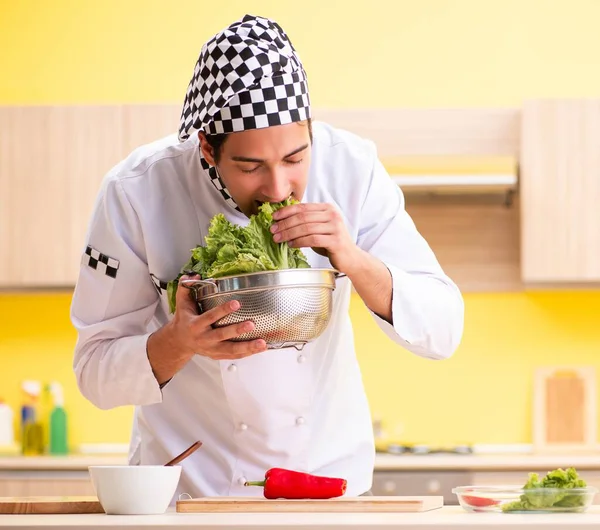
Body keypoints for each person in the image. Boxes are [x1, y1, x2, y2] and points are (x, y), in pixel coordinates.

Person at [70, 14, 464, 499]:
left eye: (296, 159)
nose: (278, 187)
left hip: (326, 483)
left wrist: (351, 258)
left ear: (311, 133)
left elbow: (443, 330)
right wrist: (178, 342)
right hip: (193, 491)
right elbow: (94, 372)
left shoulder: (352, 168)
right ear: (207, 150)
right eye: (251, 165)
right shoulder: (138, 190)